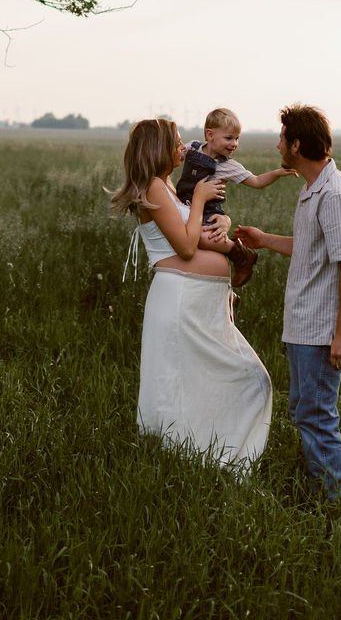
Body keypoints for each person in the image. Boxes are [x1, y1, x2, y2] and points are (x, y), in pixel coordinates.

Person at [110, 118, 272, 471]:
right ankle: (179, 459)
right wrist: (199, 199)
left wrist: (222, 222)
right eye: (177, 142)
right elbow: (184, 247)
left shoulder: (167, 185)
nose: (184, 148)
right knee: (181, 382)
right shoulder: (153, 187)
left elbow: (196, 230)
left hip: (197, 301)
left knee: (218, 377)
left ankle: (208, 454)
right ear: (158, 148)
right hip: (179, 299)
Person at [235, 104, 341, 504]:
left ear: (296, 144)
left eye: (281, 138)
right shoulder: (313, 190)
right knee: (306, 412)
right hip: (304, 326)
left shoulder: (336, 195)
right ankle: (325, 495)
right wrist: (263, 239)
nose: (277, 145)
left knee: (316, 417)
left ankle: (334, 507)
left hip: (322, 332)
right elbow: (312, 248)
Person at [176, 106, 297, 288]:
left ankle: (241, 254)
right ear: (209, 135)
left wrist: (277, 173)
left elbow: (256, 181)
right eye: (229, 138)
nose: (234, 144)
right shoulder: (192, 147)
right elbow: (173, 156)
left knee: (203, 238)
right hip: (185, 205)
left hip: (209, 213)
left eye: (237, 138)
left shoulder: (229, 166)